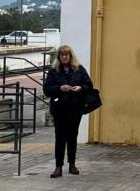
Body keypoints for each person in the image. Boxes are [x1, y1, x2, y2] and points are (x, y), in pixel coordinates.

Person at [44, 44, 93, 178]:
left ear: (71, 56)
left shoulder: (79, 69)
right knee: (60, 137)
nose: (64, 57)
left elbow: (89, 85)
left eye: (66, 54)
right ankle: (58, 167)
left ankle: (72, 164)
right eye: (61, 55)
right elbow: (46, 89)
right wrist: (60, 88)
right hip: (59, 109)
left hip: (75, 108)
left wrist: (80, 88)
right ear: (59, 57)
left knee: (72, 136)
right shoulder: (53, 71)